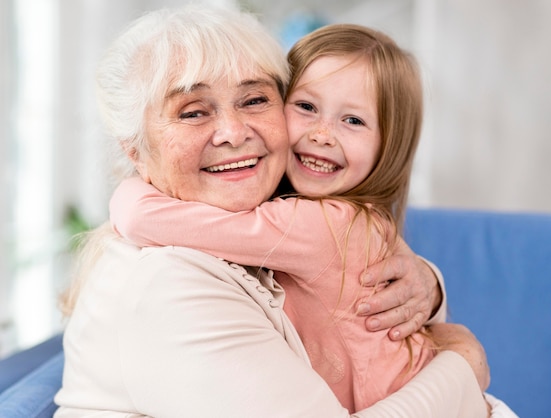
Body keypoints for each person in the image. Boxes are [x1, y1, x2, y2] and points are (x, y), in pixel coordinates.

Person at [54, 5, 492, 417]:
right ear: (134, 149)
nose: (233, 132)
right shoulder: (169, 284)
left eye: (254, 100)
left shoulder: (289, 213)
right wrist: (461, 365)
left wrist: (425, 283)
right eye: (192, 111)